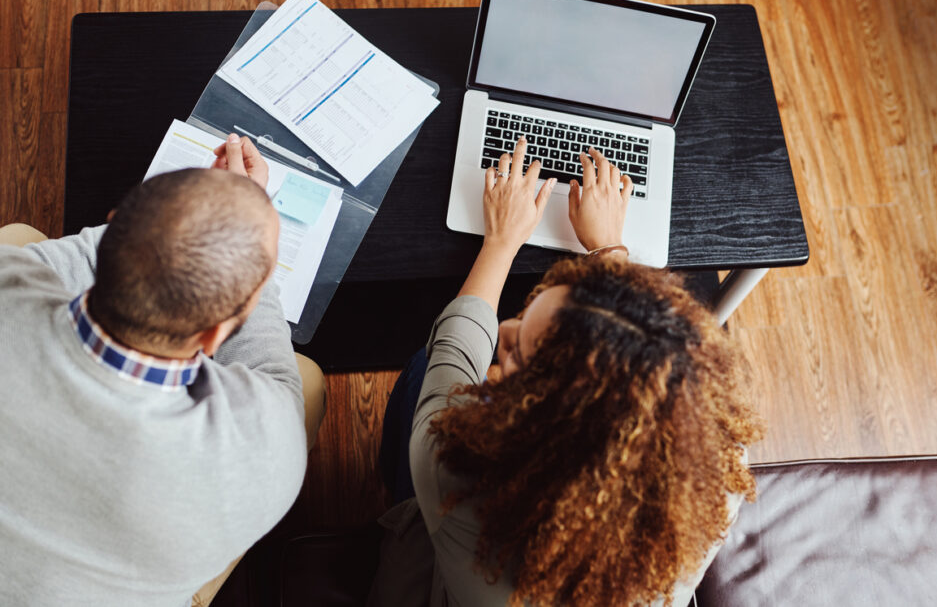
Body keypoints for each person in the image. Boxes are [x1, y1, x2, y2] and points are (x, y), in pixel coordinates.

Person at [371, 137, 763, 606]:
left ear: (553, 429)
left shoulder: (454, 474)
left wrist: (500, 242)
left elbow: (454, 351)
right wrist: (610, 251)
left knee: (421, 370)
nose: (504, 327)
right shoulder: (717, 470)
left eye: (517, 352)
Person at [0, 135, 325, 607]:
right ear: (217, 335)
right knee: (307, 379)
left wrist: (177, 224)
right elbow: (274, 374)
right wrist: (247, 261)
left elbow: (53, 261)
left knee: (17, 235)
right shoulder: (260, 445)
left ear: (112, 225)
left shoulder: (10, 284)